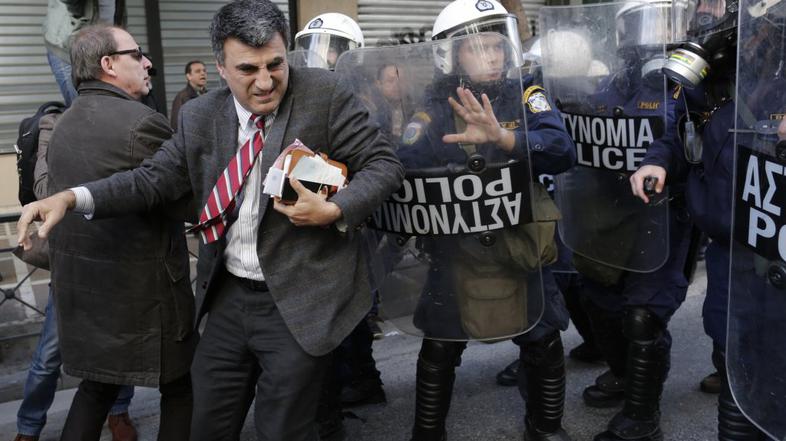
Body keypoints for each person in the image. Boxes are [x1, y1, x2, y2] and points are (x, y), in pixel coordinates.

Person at [17, 1, 404, 440]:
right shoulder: (200, 115)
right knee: (206, 425)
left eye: (275, 65)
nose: (265, 82)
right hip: (227, 298)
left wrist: (335, 209)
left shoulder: (323, 95)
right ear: (220, 67)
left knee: (283, 428)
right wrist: (72, 197)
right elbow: (151, 179)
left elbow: (383, 165)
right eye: (247, 69)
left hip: (299, 296)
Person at [394, 1, 576, 440]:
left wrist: (503, 137)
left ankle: (545, 426)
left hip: (521, 240)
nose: (492, 57)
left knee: (543, 337)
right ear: (453, 56)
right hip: (458, 246)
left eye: (497, 46)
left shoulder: (525, 92)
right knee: (440, 344)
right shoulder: (437, 105)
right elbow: (405, 161)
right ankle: (427, 431)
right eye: (478, 49)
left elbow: (561, 149)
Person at [36, 24, 197, 441]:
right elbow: (186, 201)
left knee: (95, 389)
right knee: (180, 388)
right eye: (137, 54)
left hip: (86, 294)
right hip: (147, 297)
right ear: (108, 64)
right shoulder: (144, 123)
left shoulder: (64, 122)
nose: (148, 63)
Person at [641, 0, 778, 438]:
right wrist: (657, 161)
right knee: (731, 351)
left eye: (719, 4)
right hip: (729, 247)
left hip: (775, 247)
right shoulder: (712, 68)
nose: (708, 13)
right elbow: (680, 126)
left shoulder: (776, 64)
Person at [43, 0, 125, 106]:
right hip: (68, 47)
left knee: (108, 106)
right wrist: (78, 17)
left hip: (104, 48)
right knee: (82, 107)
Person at [293, 12, 364, 69]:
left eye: (330, 51)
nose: (320, 57)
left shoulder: (358, 85)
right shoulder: (305, 84)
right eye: (314, 51)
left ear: (352, 55)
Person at [170, 60, 208, 130]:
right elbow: (176, 125)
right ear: (189, 76)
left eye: (204, 71)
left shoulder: (209, 95)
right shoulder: (181, 97)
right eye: (198, 71)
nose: (203, 73)